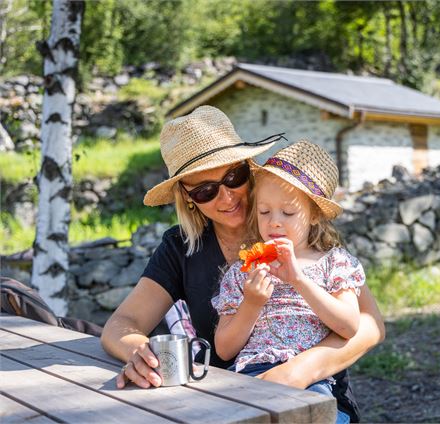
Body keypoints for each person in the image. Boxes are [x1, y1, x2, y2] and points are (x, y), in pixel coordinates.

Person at [100, 106, 385, 421]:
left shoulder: (297, 228)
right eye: (206, 191)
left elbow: (370, 325)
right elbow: (121, 323)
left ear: (250, 169)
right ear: (187, 197)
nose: (226, 198)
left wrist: (299, 371)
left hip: (315, 391)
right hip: (231, 398)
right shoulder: (180, 247)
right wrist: (141, 352)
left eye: (233, 177)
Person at [212, 141, 364, 422]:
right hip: (249, 376)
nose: (275, 223)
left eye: (288, 213)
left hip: (310, 381)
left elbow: (349, 325)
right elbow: (224, 348)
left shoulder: (335, 263)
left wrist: (298, 280)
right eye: (264, 212)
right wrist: (252, 303)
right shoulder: (241, 272)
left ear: (315, 214)